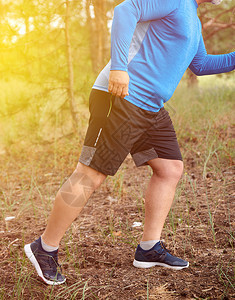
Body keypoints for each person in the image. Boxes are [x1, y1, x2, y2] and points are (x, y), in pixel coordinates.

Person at [24, 0, 234, 285]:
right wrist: (118, 67)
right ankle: (45, 247)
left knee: (170, 168)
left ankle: (149, 248)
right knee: (89, 175)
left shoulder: (193, 17)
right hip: (121, 98)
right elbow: (125, 10)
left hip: (150, 108)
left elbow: (200, 64)